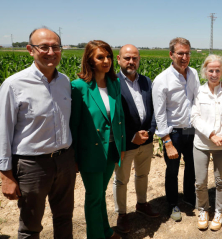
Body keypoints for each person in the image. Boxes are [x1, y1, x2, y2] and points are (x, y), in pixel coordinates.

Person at [0, 28, 76, 238]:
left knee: (64, 218)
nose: (51, 52)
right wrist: (6, 175)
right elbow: (3, 131)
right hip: (32, 166)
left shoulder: (65, 82)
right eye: (44, 47)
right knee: (30, 227)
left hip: (64, 161)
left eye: (55, 47)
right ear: (30, 50)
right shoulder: (14, 85)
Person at [70, 40, 126, 239]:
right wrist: (74, 156)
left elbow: (119, 119)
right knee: (94, 197)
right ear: (90, 60)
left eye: (109, 56)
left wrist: (122, 146)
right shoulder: (78, 87)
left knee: (101, 194)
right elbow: (74, 125)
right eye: (100, 57)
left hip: (111, 150)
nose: (106, 61)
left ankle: (106, 231)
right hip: (90, 152)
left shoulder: (114, 84)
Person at [152, 37, 200, 221]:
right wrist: (166, 141)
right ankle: (172, 203)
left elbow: (198, 98)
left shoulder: (193, 73)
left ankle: (189, 196)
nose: (184, 57)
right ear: (171, 54)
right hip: (173, 133)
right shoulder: (162, 80)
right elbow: (160, 113)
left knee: (192, 165)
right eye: (180, 53)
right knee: (172, 169)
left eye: (187, 53)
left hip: (191, 130)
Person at [113, 44, 159, 233]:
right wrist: (132, 136)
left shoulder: (147, 81)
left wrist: (150, 131)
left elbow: (156, 110)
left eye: (135, 58)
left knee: (143, 175)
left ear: (139, 59)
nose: (131, 61)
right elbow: (114, 116)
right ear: (119, 59)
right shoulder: (112, 83)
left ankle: (141, 204)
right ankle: (122, 214)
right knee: (121, 180)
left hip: (146, 141)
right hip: (126, 143)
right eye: (127, 58)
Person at [191, 55, 222, 230]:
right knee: (200, 181)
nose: (214, 74)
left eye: (217, 70)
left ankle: (219, 211)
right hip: (202, 144)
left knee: (221, 181)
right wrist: (212, 135)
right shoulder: (198, 91)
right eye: (210, 70)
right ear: (205, 72)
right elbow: (194, 117)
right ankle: (203, 209)